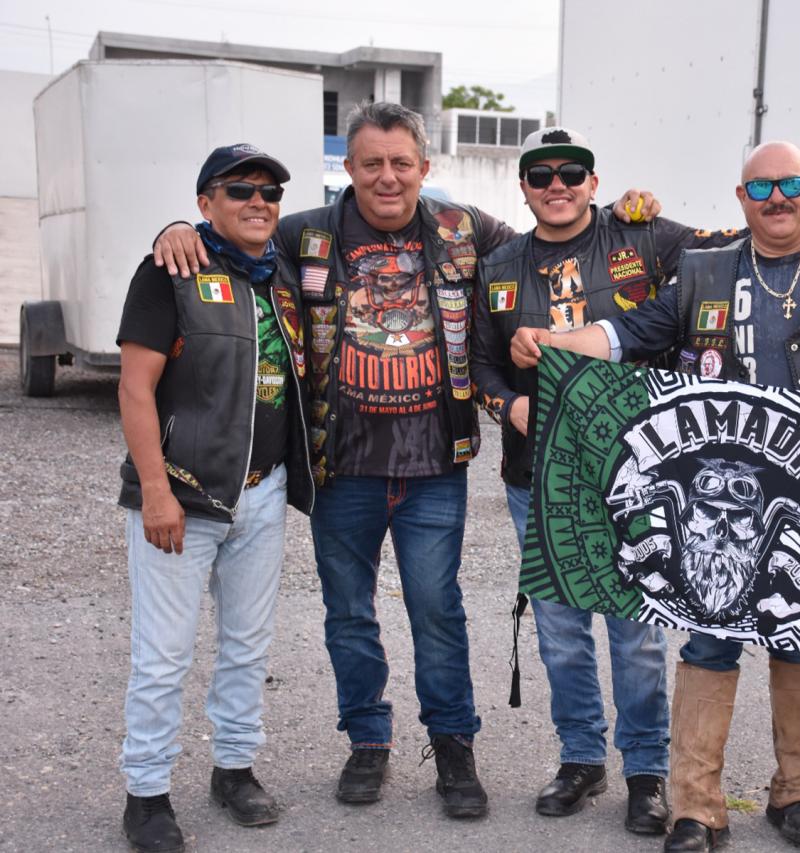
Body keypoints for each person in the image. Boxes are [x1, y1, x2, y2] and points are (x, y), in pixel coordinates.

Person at [150, 102, 667, 819]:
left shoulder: (466, 229)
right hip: (342, 468)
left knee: (437, 610)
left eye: (401, 163)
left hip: (434, 470)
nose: (387, 177)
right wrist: (178, 229)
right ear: (349, 169)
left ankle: (453, 749)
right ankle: (368, 741)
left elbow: (555, 238)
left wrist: (625, 214)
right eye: (372, 164)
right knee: (349, 614)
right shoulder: (305, 234)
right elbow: (237, 237)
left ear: (425, 168)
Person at [509, 140, 800, 852]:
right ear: (741, 197)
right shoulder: (704, 269)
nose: (777, 198)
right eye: (762, 187)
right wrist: (556, 340)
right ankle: (696, 806)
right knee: (708, 638)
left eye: (791, 185)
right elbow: (627, 333)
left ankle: (799, 794)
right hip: (714, 489)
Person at [471, 128, 800, 835]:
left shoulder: (649, 237)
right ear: (522, 186)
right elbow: (480, 363)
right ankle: (581, 759)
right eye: (541, 175)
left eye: (572, 173)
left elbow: (753, 235)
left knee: (643, 633)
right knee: (561, 632)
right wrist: (510, 405)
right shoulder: (498, 262)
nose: (557, 185)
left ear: (594, 182)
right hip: (543, 473)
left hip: (643, 470)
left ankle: (649, 773)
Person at [116, 143, 312, 852]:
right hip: (184, 498)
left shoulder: (282, 273)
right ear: (206, 203)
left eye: (270, 192)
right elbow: (134, 388)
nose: (258, 202)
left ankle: (234, 769)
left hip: (263, 494)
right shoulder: (170, 271)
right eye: (239, 191)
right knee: (163, 655)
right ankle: (145, 794)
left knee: (246, 646)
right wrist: (156, 491)